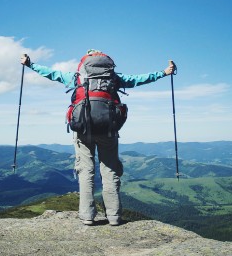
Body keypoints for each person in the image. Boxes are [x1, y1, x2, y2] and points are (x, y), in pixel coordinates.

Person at [20, 50, 175, 226]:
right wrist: (163, 73)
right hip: (108, 130)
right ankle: (114, 216)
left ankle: (87, 215)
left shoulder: (76, 78)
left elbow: (51, 74)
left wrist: (30, 64)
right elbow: (138, 79)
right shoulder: (113, 78)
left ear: (86, 62)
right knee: (109, 171)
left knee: (86, 171)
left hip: (83, 129)